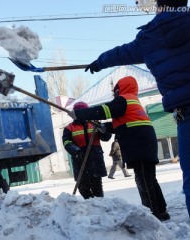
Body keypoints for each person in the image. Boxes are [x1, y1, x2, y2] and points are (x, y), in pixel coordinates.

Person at [84, 0, 190, 237]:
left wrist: (98, 62)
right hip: (150, 139)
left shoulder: (148, 39)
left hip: (188, 116)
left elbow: (120, 54)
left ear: (159, 5)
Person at [69, 76, 170, 221]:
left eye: (115, 90)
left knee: (143, 181)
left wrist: (80, 114)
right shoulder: (132, 101)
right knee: (150, 179)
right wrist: (106, 127)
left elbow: (105, 110)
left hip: (139, 145)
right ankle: (161, 211)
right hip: (144, 143)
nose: (114, 93)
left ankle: (153, 215)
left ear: (121, 88)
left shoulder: (123, 99)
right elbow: (122, 123)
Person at [63, 101, 111, 199]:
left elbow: (106, 138)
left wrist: (105, 131)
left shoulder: (95, 124)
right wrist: (76, 151)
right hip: (80, 160)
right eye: (78, 111)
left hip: (95, 160)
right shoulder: (69, 128)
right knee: (83, 188)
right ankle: (90, 206)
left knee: (97, 188)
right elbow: (67, 143)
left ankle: (99, 207)